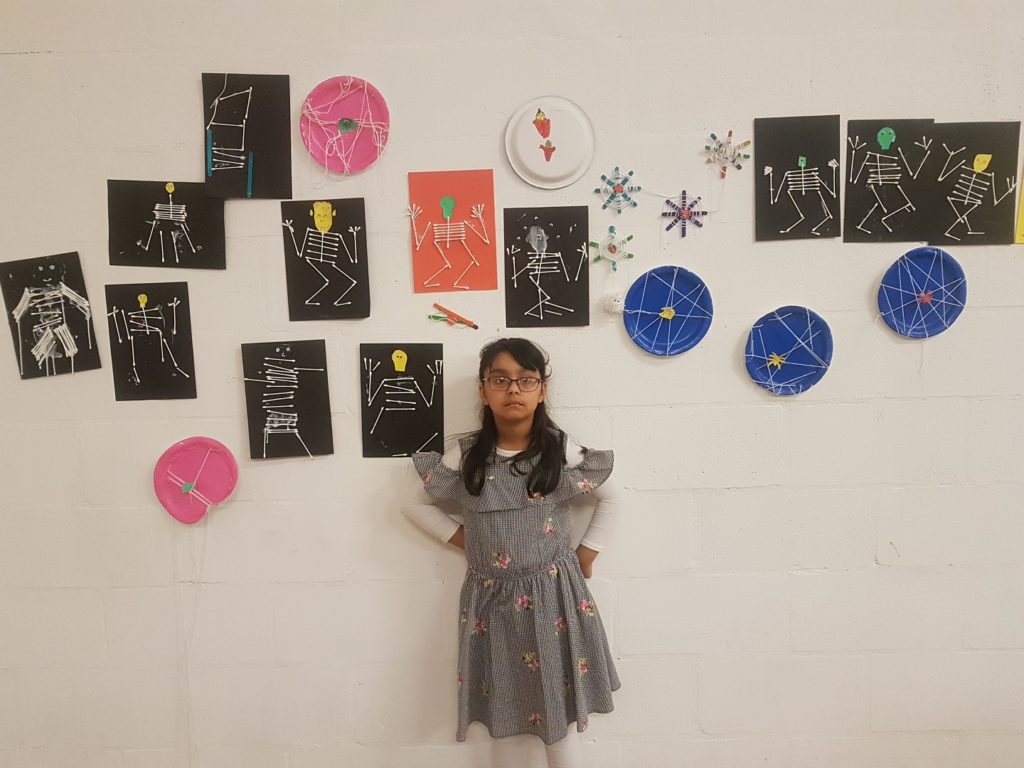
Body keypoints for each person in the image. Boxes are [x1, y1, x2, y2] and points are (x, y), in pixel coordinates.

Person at [402, 337, 621, 768]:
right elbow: (413, 503)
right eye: (500, 380)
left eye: (526, 380)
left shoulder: (560, 449)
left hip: (554, 600)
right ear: (484, 391)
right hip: (492, 603)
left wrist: (588, 553)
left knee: (557, 716)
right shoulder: (465, 455)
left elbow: (612, 496)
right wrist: (469, 542)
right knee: (503, 713)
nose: (513, 389)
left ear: (542, 390)